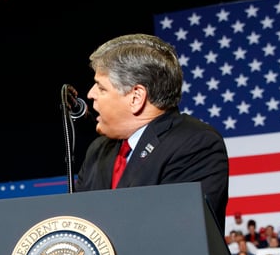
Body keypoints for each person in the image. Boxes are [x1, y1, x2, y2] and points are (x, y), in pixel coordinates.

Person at [74, 33, 229, 231]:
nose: (90, 94)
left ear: (136, 97)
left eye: (101, 88)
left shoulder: (196, 143)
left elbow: (179, 233)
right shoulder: (98, 150)